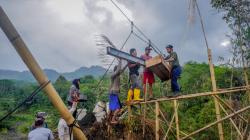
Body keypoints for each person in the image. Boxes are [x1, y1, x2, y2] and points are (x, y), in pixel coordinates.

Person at [109, 59, 127, 124]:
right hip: (113, 93)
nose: (119, 71)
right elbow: (119, 69)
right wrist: (120, 61)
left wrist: (127, 64)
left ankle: (110, 118)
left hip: (114, 93)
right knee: (118, 108)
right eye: (118, 70)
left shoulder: (117, 75)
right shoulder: (113, 75)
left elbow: (122, 70)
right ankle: (113, 119)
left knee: (116, 107)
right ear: (116, 70)